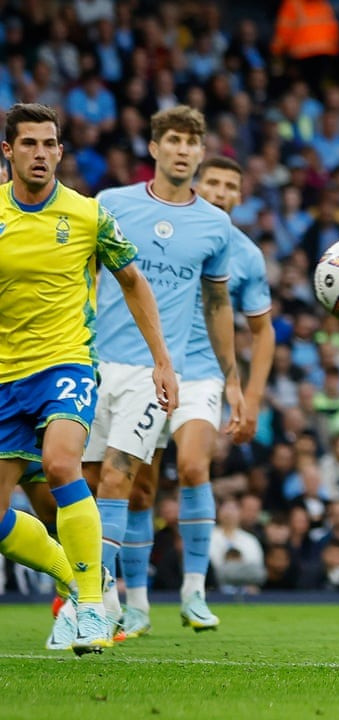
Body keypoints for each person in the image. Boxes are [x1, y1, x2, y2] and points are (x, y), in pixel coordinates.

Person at [0, 102, 177, 654]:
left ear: (60, 151)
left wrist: (162, 360)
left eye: (48, 144)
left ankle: (95, 610)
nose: (40, 154)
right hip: (4, 376)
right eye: (28, 144)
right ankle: (78, 581)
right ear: (7, 151)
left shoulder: (88, 215)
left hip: (65, 363)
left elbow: (133, 281)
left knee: (60, 464)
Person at [83, 105, 243, 638]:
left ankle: (104, 603)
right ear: (154, 148)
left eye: (191, 142)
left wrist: (232, 377)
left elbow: (217, 305)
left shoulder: (215, 226)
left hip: (154, 372)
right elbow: (82, 272)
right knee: (90, 483)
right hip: (94, 363)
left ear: (200, 153)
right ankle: (111, 599)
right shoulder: (111, 204)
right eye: (173, 140)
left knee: (123, 475)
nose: (182, 150)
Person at [127, 155, 275, 634]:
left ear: (239, 197)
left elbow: (263, 332)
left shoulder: (247, 255)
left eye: (230, 185)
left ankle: (194, 591)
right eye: (212, 182)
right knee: (140, 487)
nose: (220, 191)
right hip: (146, 368)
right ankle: (136, 602)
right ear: (197, 184)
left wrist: (251, 397)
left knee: (193, 466)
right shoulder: (163, 233)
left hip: (203, 374)